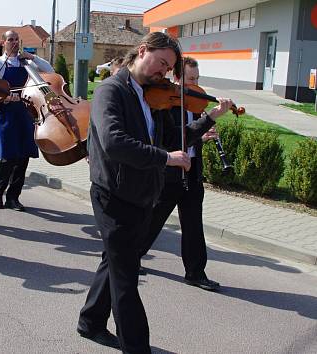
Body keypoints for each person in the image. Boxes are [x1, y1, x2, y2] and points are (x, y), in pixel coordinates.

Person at [76, 32, 234, 353]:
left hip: (142, 195)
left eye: (169, 67)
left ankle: (90, 321)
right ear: (143, 50)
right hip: (113, 196)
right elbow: (114, 142)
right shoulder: (111, 90)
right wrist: (166, 158)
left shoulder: (150, 95)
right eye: (162, 63)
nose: (164, 72)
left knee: (116, 261)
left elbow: (173, 137)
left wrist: (207, 120)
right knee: (126, 279)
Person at [138, 57, 221, 291]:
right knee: (154, 218)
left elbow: (194, 137)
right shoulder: (165, 105)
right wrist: (200, 132)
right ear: (177, 79)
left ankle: (195, 272)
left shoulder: (196, 104)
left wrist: (204, 135)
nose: (196, 85)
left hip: (193, 171)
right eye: (190, 79)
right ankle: (132, 256)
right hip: (170, 172)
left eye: (197, 79)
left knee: (194, 223)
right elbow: (170, 139)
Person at [0, 30, 54, 211]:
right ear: (4, 43)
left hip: (26, 114)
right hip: (7, 115)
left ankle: (13, 197)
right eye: (10, 40)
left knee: (23, 158)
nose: (14, 42)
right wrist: (4, 98)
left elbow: (50, 71)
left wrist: (32, 57)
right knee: (8, 158)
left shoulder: (27, 63)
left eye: (17, 40)